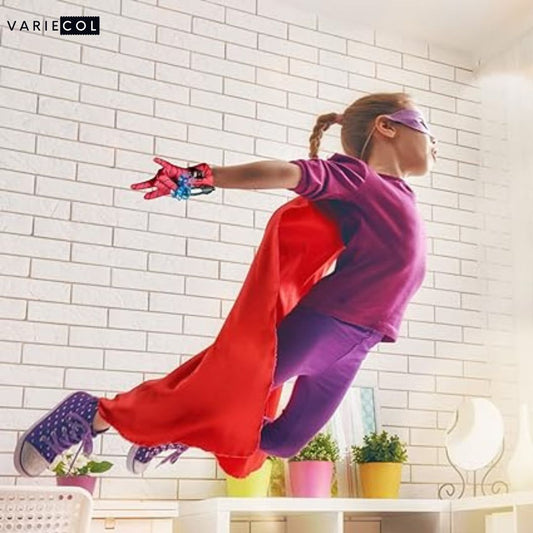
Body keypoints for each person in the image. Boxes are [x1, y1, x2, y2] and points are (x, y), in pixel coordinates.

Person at [13, 92, 437, 479]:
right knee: (221, 386)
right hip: (329, 323)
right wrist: (203, 176)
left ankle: (184, 428)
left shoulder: (399, 194)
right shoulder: (359, 179)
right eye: (426, 128)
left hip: (360, 342)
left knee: (285, 441)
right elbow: (284, 172)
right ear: (386, 127)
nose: (434, 143)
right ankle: (93, 413)